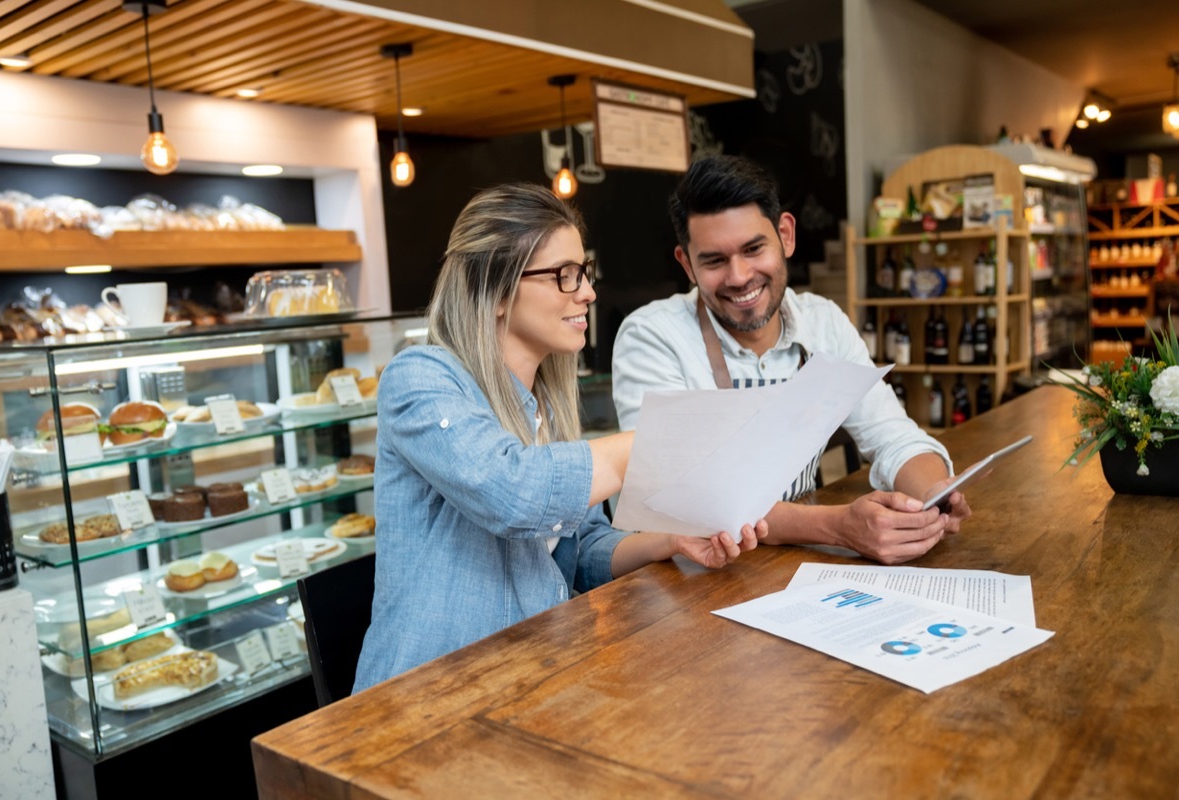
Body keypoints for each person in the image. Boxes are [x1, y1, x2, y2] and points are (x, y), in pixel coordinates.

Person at [353, 183, 762, 690]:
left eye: (584, 272)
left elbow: (581, 550)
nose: (588, 292)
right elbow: (512, 493)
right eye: (564, 276)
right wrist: (658, 442)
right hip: (426, 696)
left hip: (530, 674)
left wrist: (670, 541)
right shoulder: (421, 378)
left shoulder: (546, 406)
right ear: (495, 290)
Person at [612, 155, 970, 566]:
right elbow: (685, 498)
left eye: (753, 249)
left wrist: (931, 499)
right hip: (684, 581)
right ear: (686, 265)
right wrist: (838, 527)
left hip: (789, 567)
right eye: (714, 260)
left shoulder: (824, 324)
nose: (739, 276)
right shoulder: (653, 337)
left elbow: (893, 435)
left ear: (785, 234)